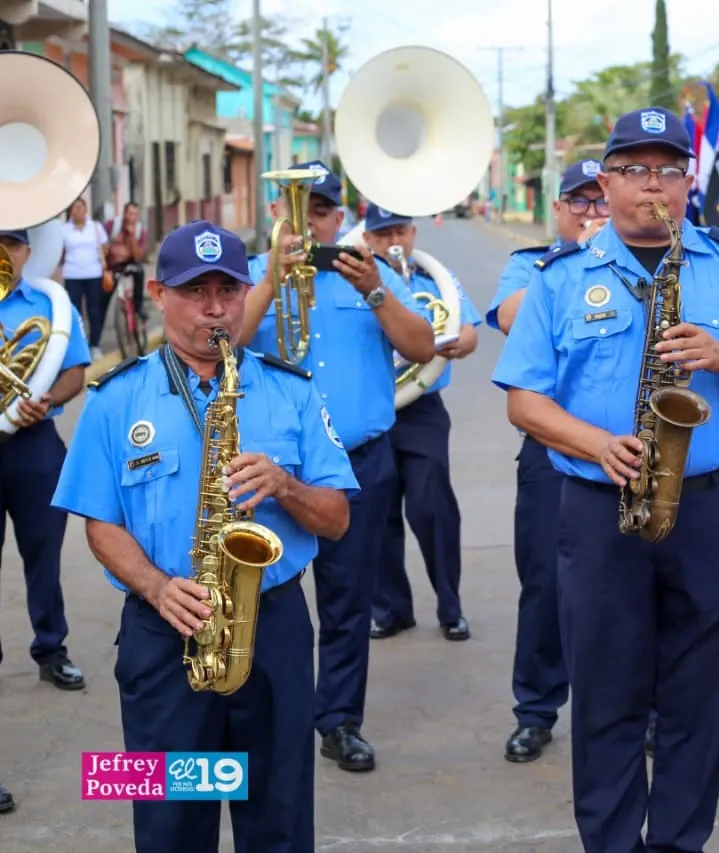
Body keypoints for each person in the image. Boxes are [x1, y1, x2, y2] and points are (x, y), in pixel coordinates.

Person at [492, 107, 719, 852]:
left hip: (712, 512)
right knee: (604, 699)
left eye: (669, 170)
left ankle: (678, 841)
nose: (653, 187)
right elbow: (523, 399)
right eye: (635, 170)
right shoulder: (558, 279)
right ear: (605, 183)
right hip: (600, 512)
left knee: (701, 700)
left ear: (688, 180)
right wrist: (598, 443)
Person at [51, 220, 358, 852]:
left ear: (247, 292)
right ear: (160, 294)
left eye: (228, 288)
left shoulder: (291, 388)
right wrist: (158, 588)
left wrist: (286, 486)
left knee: (278, 817)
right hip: (162, 636)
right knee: (170, 825)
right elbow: (99, 525)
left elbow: (336, 518)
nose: (215, 308)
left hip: (270, 633)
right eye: (196, 291)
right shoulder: (114, 398)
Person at [239, 160, 437, 773]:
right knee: (266, 595)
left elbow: (422, 347)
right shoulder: (249, 277)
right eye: (299, 209)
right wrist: (271, 283)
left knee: (348, 599)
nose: (311, 222)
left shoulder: (368, 274)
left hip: (357, 464)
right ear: (276, 214)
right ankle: (270, 711)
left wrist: (375, 292)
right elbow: (225, 348)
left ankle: (340, 720)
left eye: (322, 211)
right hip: (270, 471)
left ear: (339, 218)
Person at [486, 158, 607, 763]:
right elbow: (511, 318)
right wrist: (585, 262)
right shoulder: (532, 267)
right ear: (557, 210)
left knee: (634, 588)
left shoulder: (642, 262)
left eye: (599, 201)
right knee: (544, 583)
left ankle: (645, 711)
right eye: (578, 203)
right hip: (552, 450)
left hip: (630, 454)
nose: (591, 213)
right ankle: (536, 709)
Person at [362, 206, 481, 642]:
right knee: (378, 513)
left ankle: (451, 607)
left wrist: (454, 343)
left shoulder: (436, 279)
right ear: (368, 239)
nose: (393, 239)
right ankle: (391, 609)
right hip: (372, 408)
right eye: (382, 233)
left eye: (400, 230)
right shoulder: (357, 279)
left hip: (422, 409)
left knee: (432, 508)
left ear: (413, 232)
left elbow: (468, 333)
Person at [0, 228, 93, 691]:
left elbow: (76, 371)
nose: (4, 252)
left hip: (34, 442)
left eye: (12, 243)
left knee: (43, 553)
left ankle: (51, 648)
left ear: (28, 252)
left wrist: (45, 397)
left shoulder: (50, 305)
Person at [58, 197, 109, 361]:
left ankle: (95, 345)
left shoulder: (95, 227)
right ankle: (78, 345)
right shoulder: (63, 230)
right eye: (73, 208)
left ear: (85, 209)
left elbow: (105, 247)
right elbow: (60, 252)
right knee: (75, 311)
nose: (76, 211)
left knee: (94, 310)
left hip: (93, 274)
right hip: (72, 275)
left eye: (80, 207)